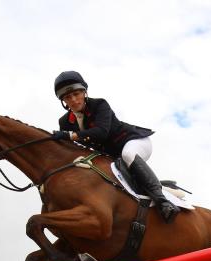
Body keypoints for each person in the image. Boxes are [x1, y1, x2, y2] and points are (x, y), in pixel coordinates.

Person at [52, 70, 180, 223]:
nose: (73, 100)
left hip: (133, 141)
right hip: (112, 156)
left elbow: (101, 133)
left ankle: (163, 203)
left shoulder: (99, 104)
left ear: (84, 92)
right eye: (67, 97)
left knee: (128, 155)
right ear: (63, 101)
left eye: (76, 94)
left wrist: (69, 136)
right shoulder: (65, 122)